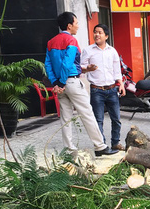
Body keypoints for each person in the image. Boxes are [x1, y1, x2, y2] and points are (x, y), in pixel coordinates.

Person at [45, 12, 117, 157]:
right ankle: (100, 146)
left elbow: (47, 64)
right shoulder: (71, 41)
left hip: (60, 86)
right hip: (71, 82)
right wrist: (62, 81)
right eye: (76, 23)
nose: (78, 26)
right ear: (69, 25)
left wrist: (56, 82)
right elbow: (68, 62)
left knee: (65, 118)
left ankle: (70, 150)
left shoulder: (51, 42)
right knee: (87, 114)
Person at [81, 24, 126, 151]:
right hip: (97, 90)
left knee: (116, 119)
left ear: (106, 36)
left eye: (100, 32)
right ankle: (102, 145)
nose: (96, 35)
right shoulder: (88, 50)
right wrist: (87, 68)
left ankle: (116, 142)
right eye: (95, 32)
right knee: (98, 120)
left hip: (112, 89)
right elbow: (81, 67)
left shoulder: (112, 51)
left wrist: (121, 84)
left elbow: (117, 70)